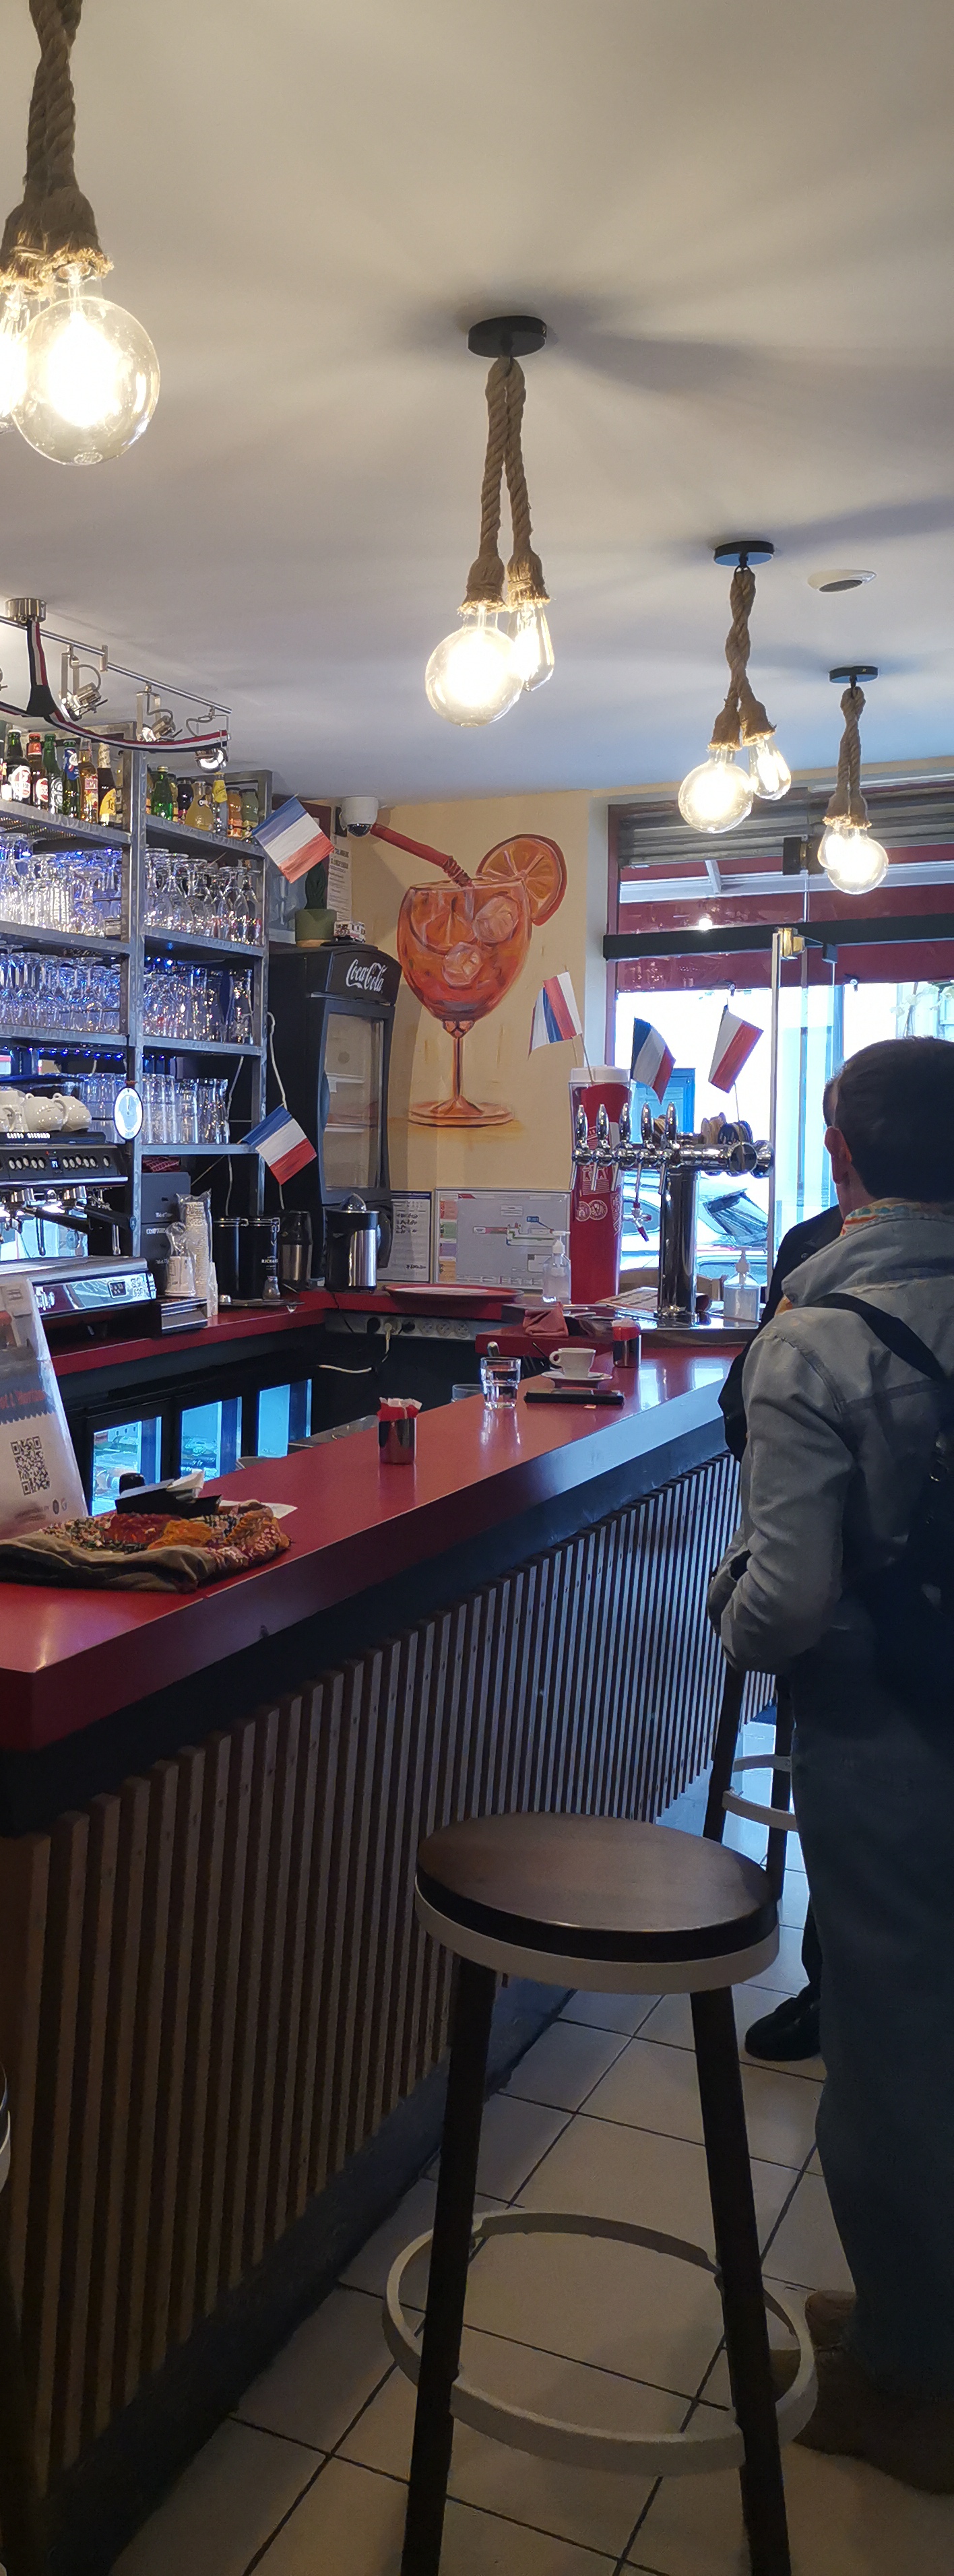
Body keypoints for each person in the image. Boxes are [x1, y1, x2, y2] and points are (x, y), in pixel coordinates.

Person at [709, 1034, 954, 2490]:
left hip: (888, 1733)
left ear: (844, 1156)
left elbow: (786, 1604)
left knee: (896, 2042)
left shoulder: (818, 1336)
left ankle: (913, 2380)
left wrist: (726, 1607)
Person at [718, 1082, 848, 2065]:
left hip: (845, 1607)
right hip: (862, 1613)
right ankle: (832, 1990)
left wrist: (740, 1595)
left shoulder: (817, 1256)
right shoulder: (808, 1245)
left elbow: (743, 1413)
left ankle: (838, 1998)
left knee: (851, 1809)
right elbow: (740, 1407)